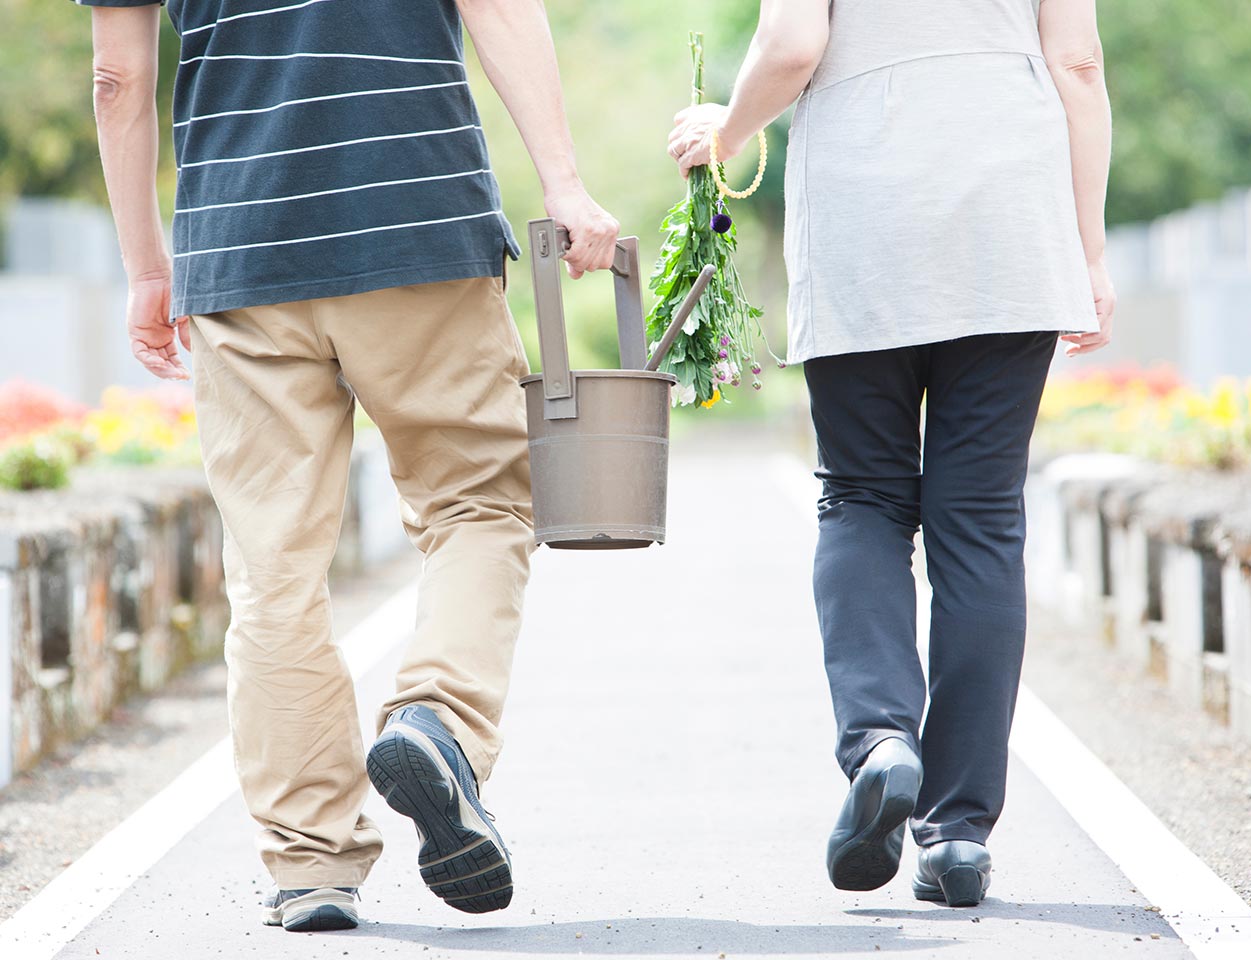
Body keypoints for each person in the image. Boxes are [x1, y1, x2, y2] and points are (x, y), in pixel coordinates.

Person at [80, 0, 618, 933]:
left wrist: (145, 266)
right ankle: (438, 723)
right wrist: (564, 184)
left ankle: (311, 864)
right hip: (416, 218)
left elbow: (117, 80)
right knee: (480, 504)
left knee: (274, 570)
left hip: (240, 249)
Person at [668, 0, 1114, 907]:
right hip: (1011, 220)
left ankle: (879, 739)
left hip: (866, 215)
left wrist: (727, 129)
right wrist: (1089, 252)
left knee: (862, 496)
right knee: (981, 521)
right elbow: (1077, 66)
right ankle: (956, 835)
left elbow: (794, 44)